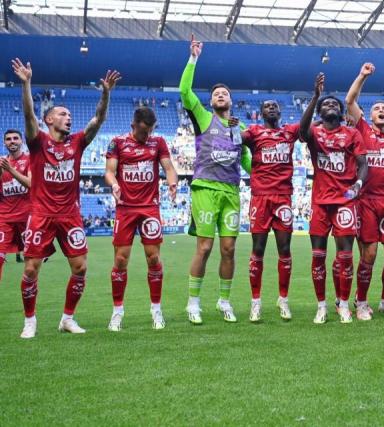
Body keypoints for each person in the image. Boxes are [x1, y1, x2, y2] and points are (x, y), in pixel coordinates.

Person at [12, 58, 120, 338]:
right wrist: (26, 83)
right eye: (62, 114)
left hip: (70, 215)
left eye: (70, 115)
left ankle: (67, 319)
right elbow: (28, 116)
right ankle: (30, 321)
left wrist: (106, 93)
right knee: (32, 269)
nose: (68, 117)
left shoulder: (77, 143)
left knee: (80, 267)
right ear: (49, 119)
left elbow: (99, 120)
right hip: (41, 214)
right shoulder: (38, 142)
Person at [180, 35, 251, 324]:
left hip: (231, 192)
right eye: (216, 93)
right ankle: (193, 303)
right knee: (205, 247)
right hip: (205, 188)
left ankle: (224, 301)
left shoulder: (240, 127)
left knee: (229, 248)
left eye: (225, 93)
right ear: (210, 101)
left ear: (231, 100)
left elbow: (246, 161)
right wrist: (193, 58)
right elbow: (185, 91)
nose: (220, 95)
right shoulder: (203, 117)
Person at [299, 73, 368, 324]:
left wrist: (358, 185)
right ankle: (321, 305)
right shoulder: (314, 134)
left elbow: (363, 164)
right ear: (319, 112)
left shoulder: (351, 134)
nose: (330, 106)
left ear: (341, 112)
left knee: (345, 256)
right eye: (325, 105)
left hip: (345, 201)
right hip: (319, 202)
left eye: (334, 105)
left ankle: (343, 303)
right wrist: (316, 95)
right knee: (318, 256)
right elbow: (301, 132)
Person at [104, 107, 178, 331]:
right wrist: (115, 184)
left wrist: (172, 182)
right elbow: (109, 171)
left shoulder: (158, 143)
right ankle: (117, 311)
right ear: (133, 126)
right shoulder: (117, 143)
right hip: (125, 209)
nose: (147, 136)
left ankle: (156, 309)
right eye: (144, 131)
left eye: (150, 132)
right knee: (120, 261)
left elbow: (169, 168)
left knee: (153, 259)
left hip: (149, 208)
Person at [344, 63, 384, 320]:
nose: (381, 111)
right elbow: (349, 100)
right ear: (369, 116)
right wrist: (362, 76)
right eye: (376, 109)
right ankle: (360, 302)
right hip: (367, 202)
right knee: (369, 254)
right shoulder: (363, 130)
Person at [242, 100, 299, 322]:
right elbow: (236, 140)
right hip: (260, 198)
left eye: (275, 105)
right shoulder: (254, 132)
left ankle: (283, 299)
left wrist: (315, 98)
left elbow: (309, 126)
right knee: (258, 248)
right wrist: (231, 128)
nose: (272, 107)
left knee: (284, 248)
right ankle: (255, 302)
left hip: (283, 197)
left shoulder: (289, 132)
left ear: (280, 110)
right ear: (261, 113)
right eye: (267, 106)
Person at [0, 129, 31, 283]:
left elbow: (32, 184)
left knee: (31, 265)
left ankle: (29, 305)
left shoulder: (30, 160)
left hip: (27, 219)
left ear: (21, 141)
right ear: (4, 143)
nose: (12, 141)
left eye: (15, 138)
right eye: (8, 139)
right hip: (4, 218)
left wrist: (10, 170)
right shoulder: (0, 164)